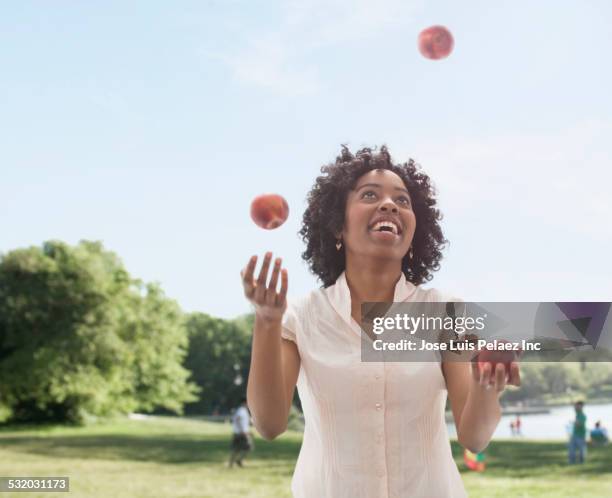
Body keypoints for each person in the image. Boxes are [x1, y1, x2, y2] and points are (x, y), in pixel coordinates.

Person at [241, 145, 521, 497]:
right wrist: (267, 322)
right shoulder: (301, 316)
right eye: (369, 195)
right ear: (337, 226)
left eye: (403, 201)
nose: (389, 205)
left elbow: (474, 437)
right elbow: (269, 424)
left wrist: (486, 386)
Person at [228, 398, 253, 468]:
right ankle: (237, 461)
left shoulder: (243, 411)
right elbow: (238, 420)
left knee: (237, 449)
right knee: (247, 447)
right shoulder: (241, 410)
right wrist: (242, 431)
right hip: (241, 433)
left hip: (241, 432)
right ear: (244, 402)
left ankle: (234, 462)